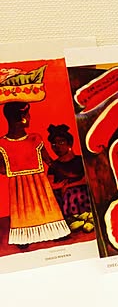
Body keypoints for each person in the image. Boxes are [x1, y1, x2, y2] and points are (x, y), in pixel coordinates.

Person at [0, 102, 70, 246]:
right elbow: (50, 162)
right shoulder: (4, 144)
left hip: (31, 185)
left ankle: (49, 232)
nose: (30, 118)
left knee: (42, 208)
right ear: (22, 118)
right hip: (22, 186)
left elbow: (50, 162)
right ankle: (25, 237)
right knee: (25, 211)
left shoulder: (34, 139)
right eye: (28, 115)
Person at [46, 124, 92, 219]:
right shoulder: (54, 166)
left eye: (61, 142)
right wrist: (59, 186)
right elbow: (49, 184)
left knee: (72, 193)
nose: (57, 146)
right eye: (53, 144)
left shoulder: (80, 160)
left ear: (69, 143)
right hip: (62, 198)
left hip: (81, 195)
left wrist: (68, 186)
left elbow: (87, 179)